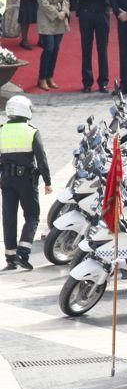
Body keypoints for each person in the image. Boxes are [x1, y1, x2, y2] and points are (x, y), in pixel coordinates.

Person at [0, 96, 51, 271]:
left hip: (6, 180)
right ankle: (23, 251)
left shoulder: (1, 130)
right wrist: (47, 182)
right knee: (32, 215)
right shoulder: (31, 131)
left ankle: (10, 258)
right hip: (27, 181)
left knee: (8, 217)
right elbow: (41, 159)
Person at [74, 0, 113, 94]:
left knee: (102, 49)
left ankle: (103, 82)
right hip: (86, 14)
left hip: (102, 14)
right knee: (86, 48)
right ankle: (87, 82)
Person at [33, 0, 68, 92]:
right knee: (49, 48)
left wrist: (65, 11)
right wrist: (56, 13)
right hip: (47, 19)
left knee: (56, 49)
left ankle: (50, 76)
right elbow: (43, 3)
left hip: (60, 20)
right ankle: (42, 78)